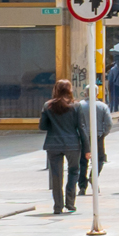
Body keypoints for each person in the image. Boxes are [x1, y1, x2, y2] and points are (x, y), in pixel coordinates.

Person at [40, 80, 89, 215]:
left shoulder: (48, 106)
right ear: (69, 90)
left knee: (56, 176)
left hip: (53, 144)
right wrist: (87, 148)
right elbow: (82, 128)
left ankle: (57, 206)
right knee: (73, 171)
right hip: (72, 144)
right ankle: (70, 202)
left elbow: (42, 126)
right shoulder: (76, 106)